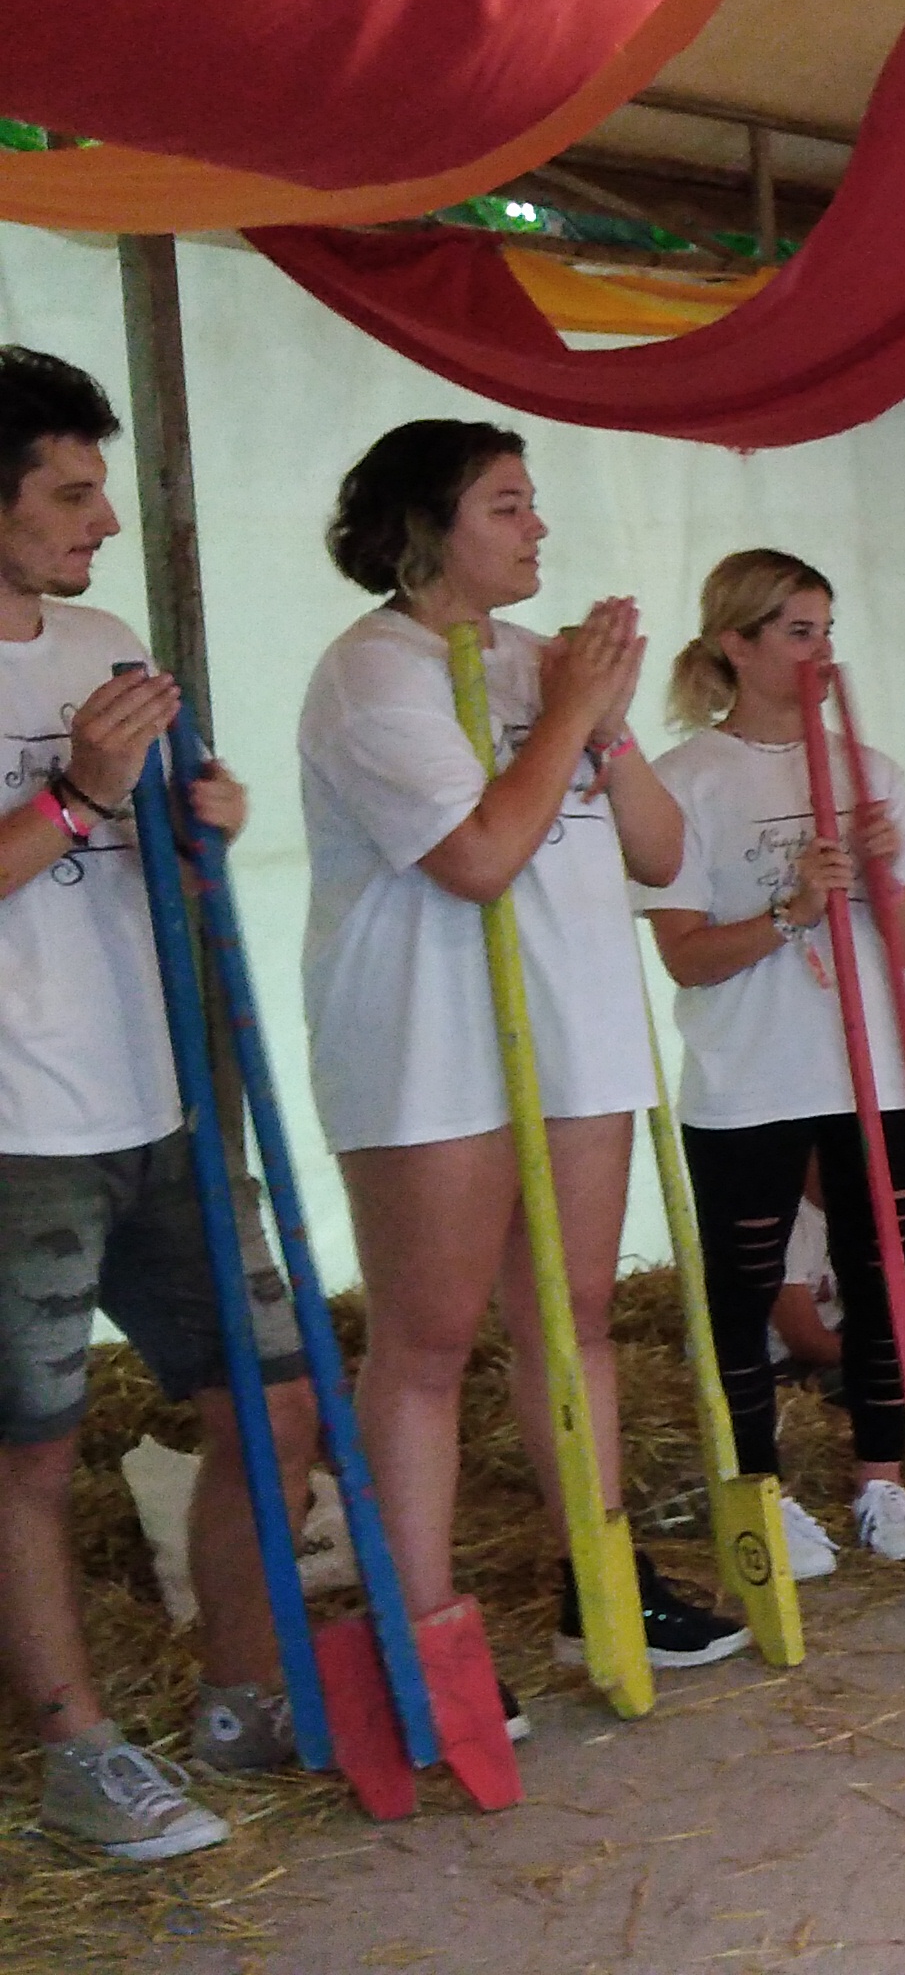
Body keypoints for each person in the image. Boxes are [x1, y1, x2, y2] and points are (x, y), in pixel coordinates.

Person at [298, 420, 740, 1691]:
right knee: (428, 1338)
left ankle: (597, 1577)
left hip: (572, 1024)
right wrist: (569, 713)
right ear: (423, 529)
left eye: (533, 502)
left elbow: (661, 852)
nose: (537, 525)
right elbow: (479, 855)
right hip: (429, 1042)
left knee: (577, 1314)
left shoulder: (541, 660)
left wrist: (603, 723)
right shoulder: (372, 672)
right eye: (505, 505)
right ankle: (421, 1627)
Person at [0, 349, 316, 1861]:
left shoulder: (104, 642)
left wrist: (205, 825)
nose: (106, 520)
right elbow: (69, 819)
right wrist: (73, 796)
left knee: (277, 1395)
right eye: (71, 491)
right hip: (16, 1128)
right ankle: (79, 1751)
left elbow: (143, 852)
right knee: (32, 1452)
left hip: (161, 1100)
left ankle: (245, 1695)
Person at [641, 550, 905, 1570]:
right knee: (743, 1286)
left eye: (827, 630)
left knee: (882, 1273)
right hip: (747, 1075)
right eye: (798, 632)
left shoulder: (871, 773)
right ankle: (759, 1493)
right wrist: (792, 909)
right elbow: (684, 956)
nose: (821, 653)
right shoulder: (684, 780)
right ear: (737, 642)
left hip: (870, 1070)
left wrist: (881, 872)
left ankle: (881, 1479)